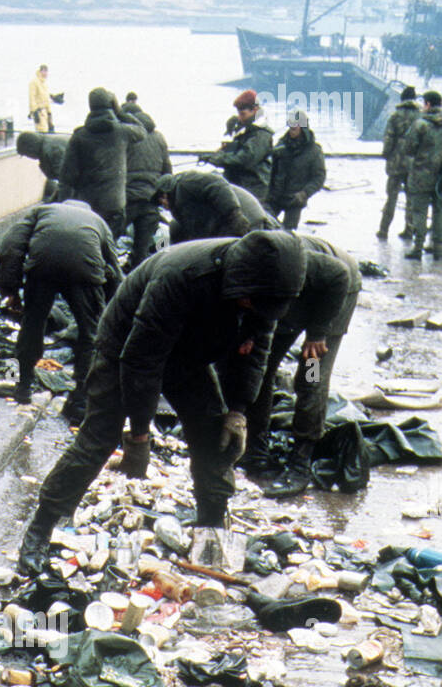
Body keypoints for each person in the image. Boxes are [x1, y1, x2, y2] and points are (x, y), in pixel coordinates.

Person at [16, 230, 307, 575]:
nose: (254, 309)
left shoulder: (270, 289)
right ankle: (41, 527)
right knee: (99, 437)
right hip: (126, 344)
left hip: (192, 353)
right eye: (249, 302)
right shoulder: (184, 275)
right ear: (240, 281)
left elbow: (257, 351)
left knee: (215, 438)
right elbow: (140, 360)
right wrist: (139, 434)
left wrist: (238, 410)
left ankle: (212, 534)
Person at [240, 235, 361, 494]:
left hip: (334, 294)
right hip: (289, 300)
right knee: (261, 368)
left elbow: (338, 275)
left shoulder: (295, 264)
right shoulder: (244, 270)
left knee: (311, 375)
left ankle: (301, 458)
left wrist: (317, 332)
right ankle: (256, 448)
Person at [0, 199, 122, 423]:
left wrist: (11, 289)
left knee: (32, 324)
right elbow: (113, 266)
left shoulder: (41, 211)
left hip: (42, 266)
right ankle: (81, 401)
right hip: (85, 269)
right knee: (91, 335)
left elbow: (10, 246)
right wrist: (114, 308)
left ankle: (23, 388)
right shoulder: (98, 221)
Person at [58, 88, 144, 238]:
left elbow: (67, 177)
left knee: (88, 244)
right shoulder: (121, 132)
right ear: (110, 105)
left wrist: (61, 210)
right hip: (114, 204)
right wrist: (120, 112)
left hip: (86, 206)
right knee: (110, 248)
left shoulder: (79, 136)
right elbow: (142, 130)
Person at [154, 169, 277, 243]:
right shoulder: (180, 214)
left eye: (162, 198)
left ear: (167, 192)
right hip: (227, 225)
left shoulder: (185, 183)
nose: (164, 205)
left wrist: (235, 216)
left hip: (245, 218)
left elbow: (217, 183)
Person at [120, 95, 172, 267]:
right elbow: (167, 173)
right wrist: (162, 196)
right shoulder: (159, 137)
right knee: (141, 255)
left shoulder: (125, 136)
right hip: (151, 202)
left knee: (106, 243)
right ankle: (138, 284)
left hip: (126, 200)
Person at [200, 89, 273, 204]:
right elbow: (234, 151)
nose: (239, 118)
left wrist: (216, 159)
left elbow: (244, 160)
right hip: (239, 185)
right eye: (238, 114)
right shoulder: (244, 129)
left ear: (255, 110)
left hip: (254, 189)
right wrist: (216, 155)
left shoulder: (261, 134)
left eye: (243, 114)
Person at [266, 109, 326, 230]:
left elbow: (319, 177)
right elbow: (270, 169)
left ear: (303, 127)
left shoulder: (314, 151)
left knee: (288, 233)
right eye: (290, 125)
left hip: (295, 200)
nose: (292, 128)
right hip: (275, 197)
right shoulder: (281, 145)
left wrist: (305, 194)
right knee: (264, 226)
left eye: (295, 125)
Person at [377, 86, 421, 240]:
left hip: (396, 163)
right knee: (411, 198)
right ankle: (409, 230)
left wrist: (386, 154)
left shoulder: (395, 116)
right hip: (413, 164)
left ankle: (384, 230)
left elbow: (388, 138)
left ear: (402, 99)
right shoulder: (420, 117)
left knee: (391, 197)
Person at [404, 90, 442, 260]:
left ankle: (418, 247)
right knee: (439, 212)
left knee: (419, 211)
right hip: (441, 177)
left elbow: (409, 148)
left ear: (427, 104)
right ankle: (438, 248)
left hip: (421, 175)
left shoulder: (420, 124)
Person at [16, 129, 69, 201]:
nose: (29, 157)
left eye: (26, 154)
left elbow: (66, 182)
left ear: (30, 148)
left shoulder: (51, 151)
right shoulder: (47, 144)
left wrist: (54, 203)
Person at [29, 65, 63, 133]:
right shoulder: (34, 82)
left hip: (45, 112)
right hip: (39, 112)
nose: (45, 73)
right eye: (43, 71)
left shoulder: (44, 83)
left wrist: (49, 113)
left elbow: (46, 99)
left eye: (46, 71)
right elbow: (32, 98)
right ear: (40, 71)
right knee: (42, 132)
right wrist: (34, 111)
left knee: (49, 131)